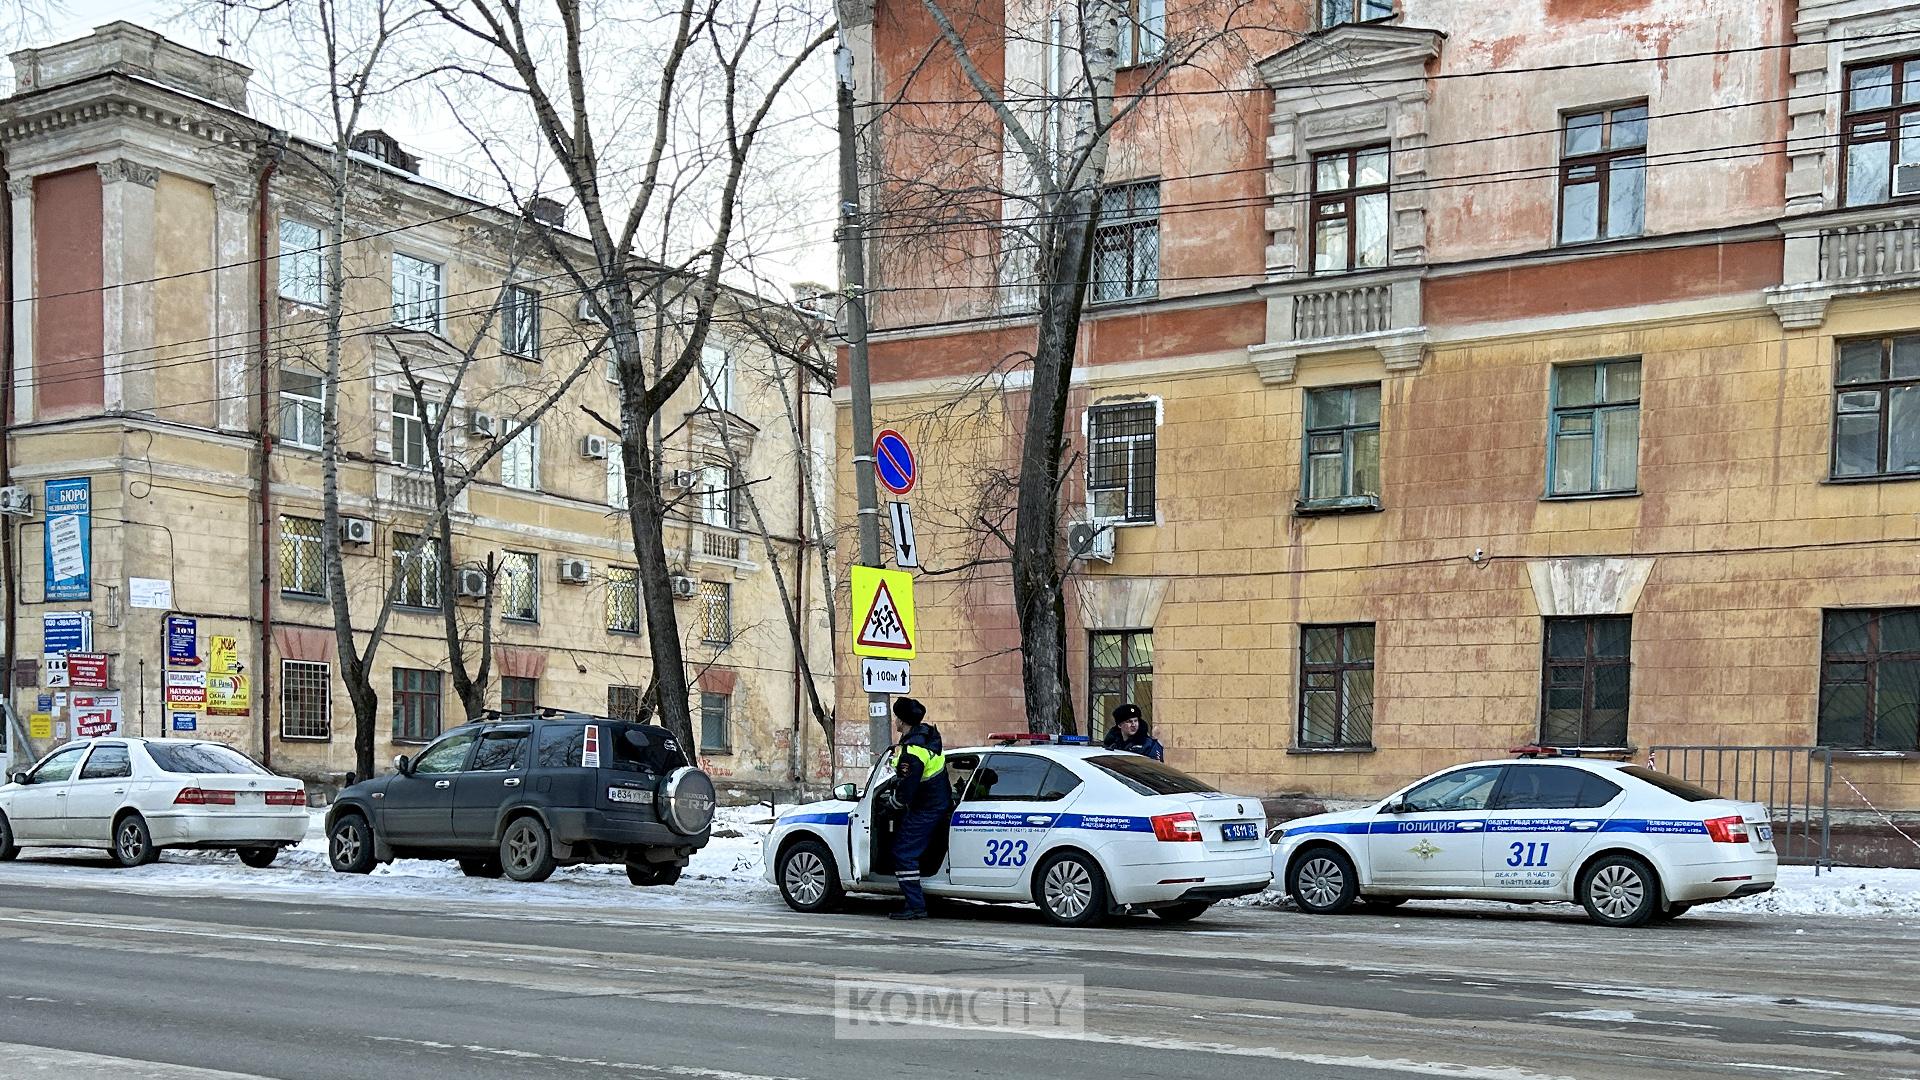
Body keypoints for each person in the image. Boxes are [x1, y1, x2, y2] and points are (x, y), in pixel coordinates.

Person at [882, 696, 949, 920]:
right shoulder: (928, 738)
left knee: (903, 853)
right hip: (936, 804)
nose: (894, 722)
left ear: (902, 721)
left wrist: (891, 806)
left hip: (925, 808)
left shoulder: (913, 751)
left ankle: (915, 905)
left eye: (896, 718)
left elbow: (907, 788)